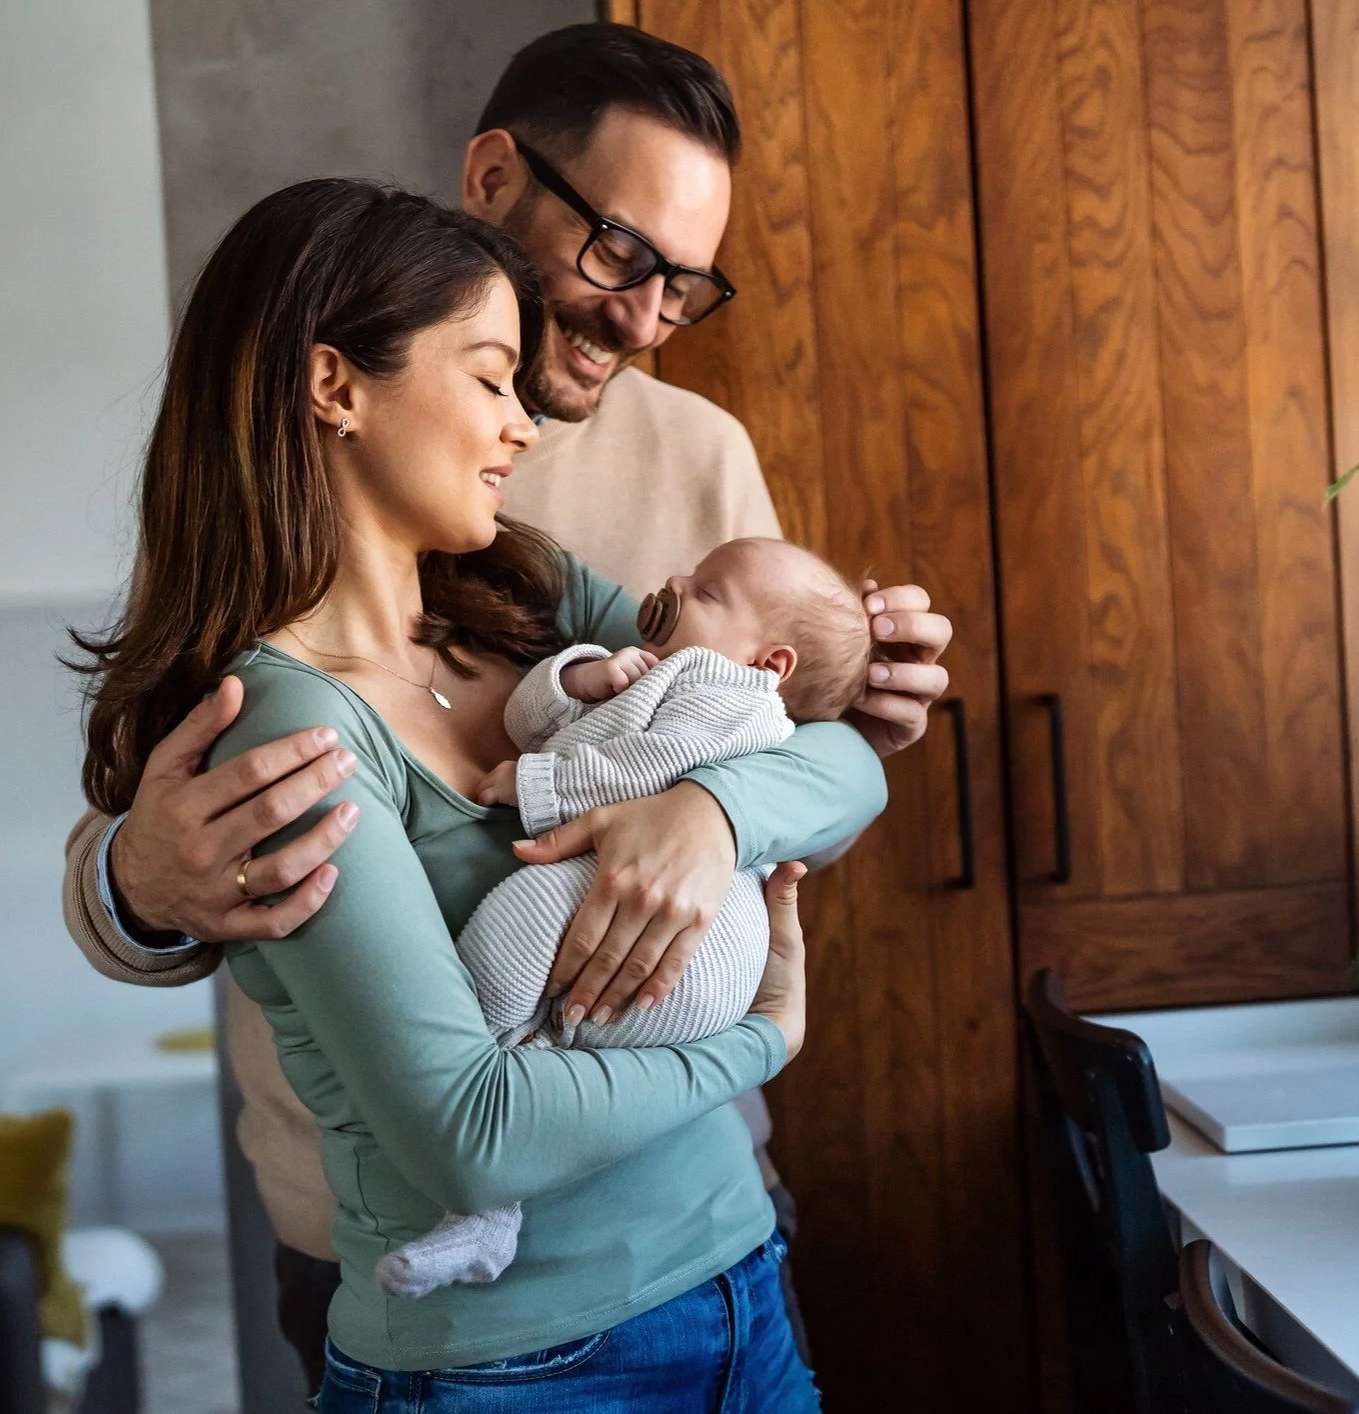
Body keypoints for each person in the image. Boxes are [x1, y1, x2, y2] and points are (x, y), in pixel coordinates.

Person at [58, 21, 951, 1391]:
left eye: (685, 287)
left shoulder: (531, 567)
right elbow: (155, 847)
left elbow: (816, 748)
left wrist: (711, 808)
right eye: (620, 257)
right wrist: (138, 874)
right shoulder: (284, 672)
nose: (646, 319)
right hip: (478, 1307)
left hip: (721, 1250)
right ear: (491, 180)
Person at [376, 537, 873, 1300]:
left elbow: (649, 768)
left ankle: (488, 1172)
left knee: (512, 926)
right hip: (643, 916)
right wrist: (583, 676)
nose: (674, 581)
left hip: (696, 949)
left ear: (770, 664)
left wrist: (535, 784)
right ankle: (491, 1208)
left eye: (707, 592)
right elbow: (528, 716)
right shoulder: (655, 665)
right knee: (532, 1002)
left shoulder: (733, 695)